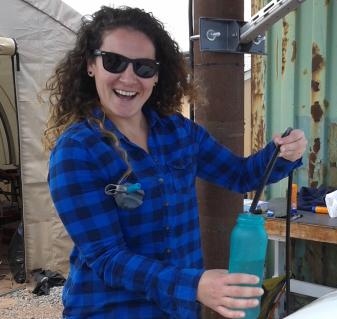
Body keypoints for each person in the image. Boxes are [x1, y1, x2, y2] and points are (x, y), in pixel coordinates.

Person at [44, 6, 307, 319]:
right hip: (110, 310)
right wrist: (194, 285)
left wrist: (281, 153)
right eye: (114, 62)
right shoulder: (76, 151)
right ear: (91, 65)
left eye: (143, 67)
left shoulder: (179, 132)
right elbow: (107, 256)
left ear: (157, 75)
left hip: (175, 311)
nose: (128, 77)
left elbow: (242, 176)